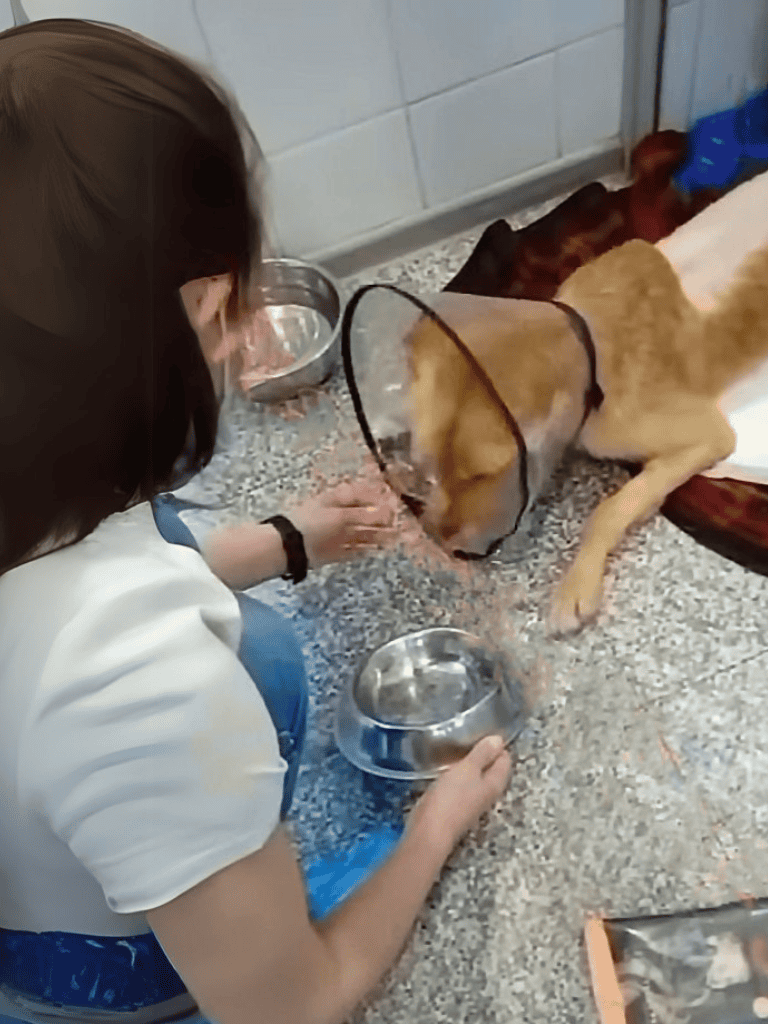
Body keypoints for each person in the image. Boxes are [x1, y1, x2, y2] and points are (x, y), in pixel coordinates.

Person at [0, 18, 512, 1024]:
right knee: (262, 670)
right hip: (105, 991)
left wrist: (287, 540)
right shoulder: (142, 694)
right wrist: (433, 831)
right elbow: (294, 1006)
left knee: (262, 645)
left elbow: (70, 589)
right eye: (224, 319)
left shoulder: (30, 449)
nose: (240, 351)